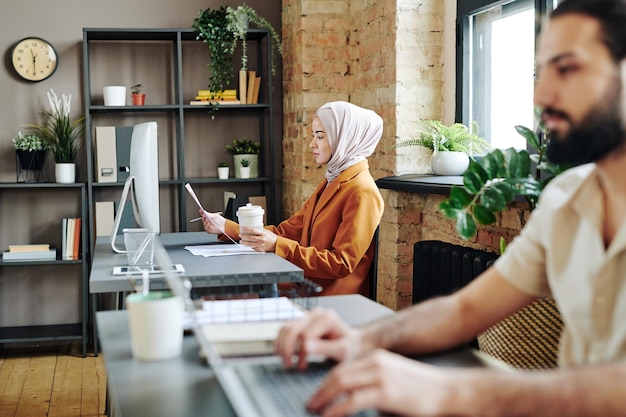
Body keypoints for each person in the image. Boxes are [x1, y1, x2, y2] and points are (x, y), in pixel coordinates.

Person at [275, 0, 626, 415]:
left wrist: (450, 391)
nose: (540, 94)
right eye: (541, 70)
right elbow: (465, 308)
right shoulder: (567, 199)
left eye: (567, 68)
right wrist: (361, 339)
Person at [201, 101, 384, 296]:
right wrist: (226, 227)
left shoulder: (362, 191)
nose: (312, 144)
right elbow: (286, 232)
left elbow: (341, 263)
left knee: (225, 297)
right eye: (313, 136)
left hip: (328, 298)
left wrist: (276, 245)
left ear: (346, 139)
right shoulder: (332, 181)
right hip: (304, 285)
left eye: (320, 137)